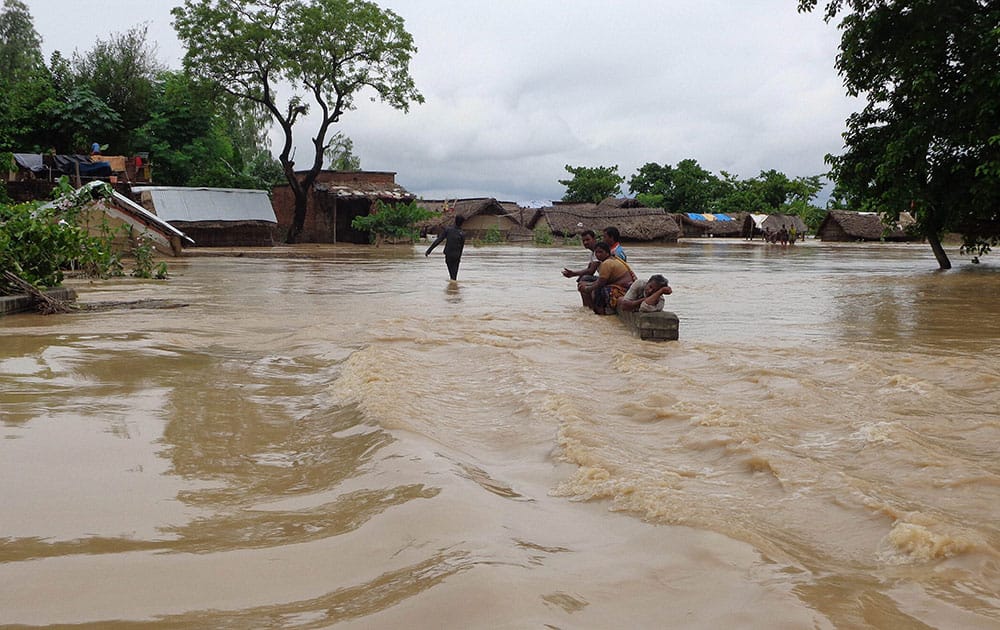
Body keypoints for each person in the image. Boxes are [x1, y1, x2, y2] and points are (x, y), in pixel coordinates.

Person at [580, 242, 637, 315]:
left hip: (623, 289)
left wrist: (587, 288)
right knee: (587, 282)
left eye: (600, 252)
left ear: (607, 253)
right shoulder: (612, 259)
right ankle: (590, 309)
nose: (598, 255)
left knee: (598, 289)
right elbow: (602, 280)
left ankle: (602, 311)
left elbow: (600, 283)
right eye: (596, 252)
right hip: (621, 285)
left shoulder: (607, 263)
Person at [562, 229, 600, 305]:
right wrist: (578, 277)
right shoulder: (593, 253)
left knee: (583, 281)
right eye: (583, 241)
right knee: (582, 279)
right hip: (603, 277)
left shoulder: (598, 251)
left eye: (588, 240)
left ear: (594, 239)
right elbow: (589, 268)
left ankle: (588, 306)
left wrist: (573, 274)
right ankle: (587, 307)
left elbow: (591, 271)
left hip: (607, 277)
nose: (585, 242)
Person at [425, 215, 466, 280]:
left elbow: (438, 240)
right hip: (456, 256)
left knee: (452, 275)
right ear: (462, 223)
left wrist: (429, 250)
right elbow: (461, 247)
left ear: (455, 221)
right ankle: (453, 286)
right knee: (454, 276)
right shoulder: (462, 234)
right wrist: (459, 257)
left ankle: (452, 286)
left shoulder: (448, 230)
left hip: (448, 255)